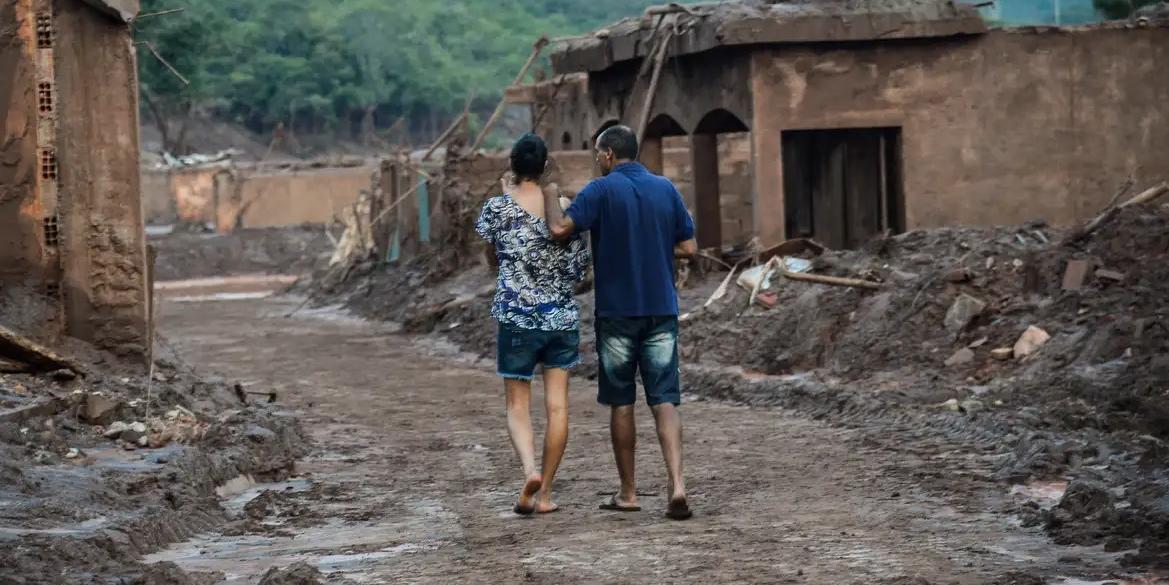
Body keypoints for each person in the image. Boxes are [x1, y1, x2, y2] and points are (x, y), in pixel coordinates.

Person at [542, 124, 698, 520]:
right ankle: (677, 484)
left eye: (598, 154)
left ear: (608, 154)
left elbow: (560, 229)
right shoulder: (666, 188)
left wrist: (549, 193)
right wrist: (653, 247)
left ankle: (628, 492)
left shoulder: (600, 190)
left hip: (617, 314)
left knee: (622, 402)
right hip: (661, 309)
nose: (598, 160)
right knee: (665, 398)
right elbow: (689, 246)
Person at [476, 134, 590, 515]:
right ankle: (545, 495)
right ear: (545, 167)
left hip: (516, 317)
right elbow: (577, 269)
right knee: (557, 407)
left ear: (511, 165)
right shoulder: (564, 208)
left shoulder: (496, 208)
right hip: (560, 317)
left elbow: (491, 257)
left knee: (517, 404)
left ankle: (529, 470)